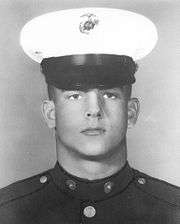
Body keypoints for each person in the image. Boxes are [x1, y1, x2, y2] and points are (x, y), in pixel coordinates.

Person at [0, 7, 179, 224]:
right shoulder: (10, 212)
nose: (94, 110)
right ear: (50, 113)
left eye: (110, 95)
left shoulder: (172, 211)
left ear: (131, 112)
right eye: (75, 96)